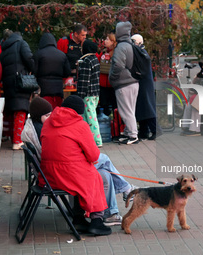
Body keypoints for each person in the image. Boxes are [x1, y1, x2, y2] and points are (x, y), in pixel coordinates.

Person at [22, 96, 135, 227]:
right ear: (78, 113)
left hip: (49, 174)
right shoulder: (79, 125)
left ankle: (111, 212)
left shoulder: (47, 124)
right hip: (69, 175)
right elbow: (93, 156)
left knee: (105, 173)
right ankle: (108, 209)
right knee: (103, 163)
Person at [0, 32, 34, 150]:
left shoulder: (4, 49)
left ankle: (11, 137)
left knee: (13, 110)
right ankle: (17, 141)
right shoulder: (21, 44)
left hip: (8, 82)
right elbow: (29, 58)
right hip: (20, 82)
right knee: (20, 109)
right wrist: (32, 68)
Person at [109, 21, 139, 145]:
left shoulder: (121, 47)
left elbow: (118, 65)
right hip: (133, 81)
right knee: (130, 109)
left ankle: (132, 135)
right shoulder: (130, 45)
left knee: (126, 111)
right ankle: (128, 133)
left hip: (123, 83)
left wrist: (113, 77)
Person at [131, 34, 162, 141]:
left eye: (133, 41)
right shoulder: (142, 53)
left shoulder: (143, 54)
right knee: (142, 107)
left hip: (144, 83)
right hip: (144, 83)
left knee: (147, 107)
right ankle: (144, 130)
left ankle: (155, 129)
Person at [34, 33, 71, 109]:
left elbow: (34, 71)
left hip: (43, 89)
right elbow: (67, 72)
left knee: (45, 112)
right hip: (58, 90)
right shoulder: (62, 55)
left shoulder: (38, 54)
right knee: (56, 112)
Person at [77, 40, 102, 147]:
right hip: (95, 93)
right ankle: (87, 140)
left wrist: (80, 94)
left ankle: (97, 140)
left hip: (87, 94)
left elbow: (84, 80)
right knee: (88, 117)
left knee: (90, 117)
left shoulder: (86, 61)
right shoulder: (95, 59)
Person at [97, 32, 118, 116]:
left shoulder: (116, 53)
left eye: (107, 39)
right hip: (102, 85)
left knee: (115, 106)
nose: (105, 41)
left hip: (112, 85)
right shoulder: (103, 53)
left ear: (113, 41)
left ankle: (116, 125)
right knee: (104, 106)